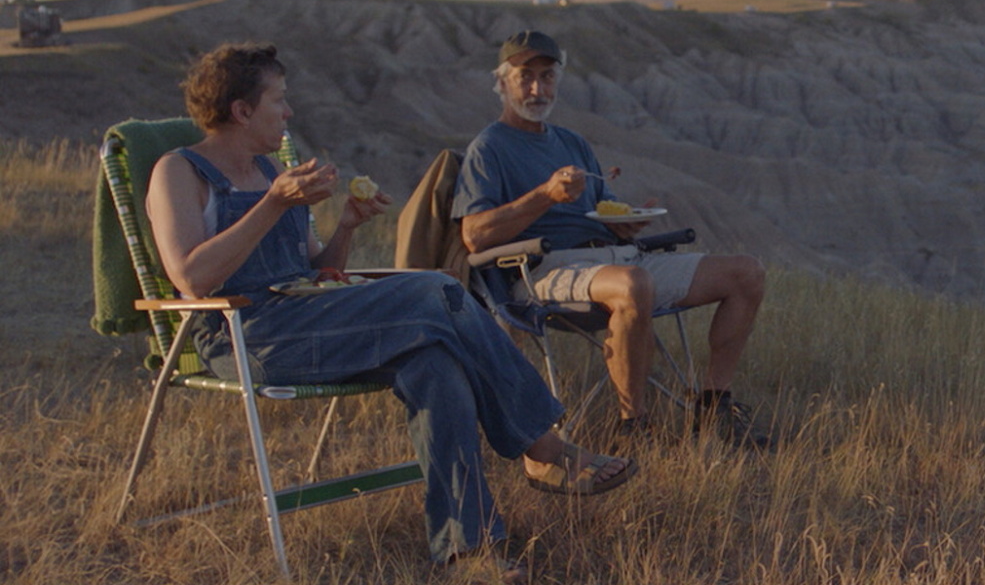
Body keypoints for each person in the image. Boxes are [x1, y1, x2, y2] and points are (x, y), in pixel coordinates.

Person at [145, 42, 637, 580]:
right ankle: (541, 446)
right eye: (279, 101)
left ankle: (464, 552)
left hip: (310, 320)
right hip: (247, 334)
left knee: (436, 364)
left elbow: (316, 272)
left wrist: (346, 227)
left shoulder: (269, 172)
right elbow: (191, 278)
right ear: (242, 111)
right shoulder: (180, 172)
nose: (288, 113)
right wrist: (274, 205)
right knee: (436, 289)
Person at [452, 30, 771, 449]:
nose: (536, 88)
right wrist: (544, 196)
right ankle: (632, 427)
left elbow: (604, 209)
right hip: (542, 270)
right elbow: (474, 237)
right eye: (525, 76)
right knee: (632, 284)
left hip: (615, 256)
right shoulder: (489, 148)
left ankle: (713, 408)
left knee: (746, 273)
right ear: (502, 83)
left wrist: (626, 221)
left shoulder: (572, 143)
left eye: (546, 77)